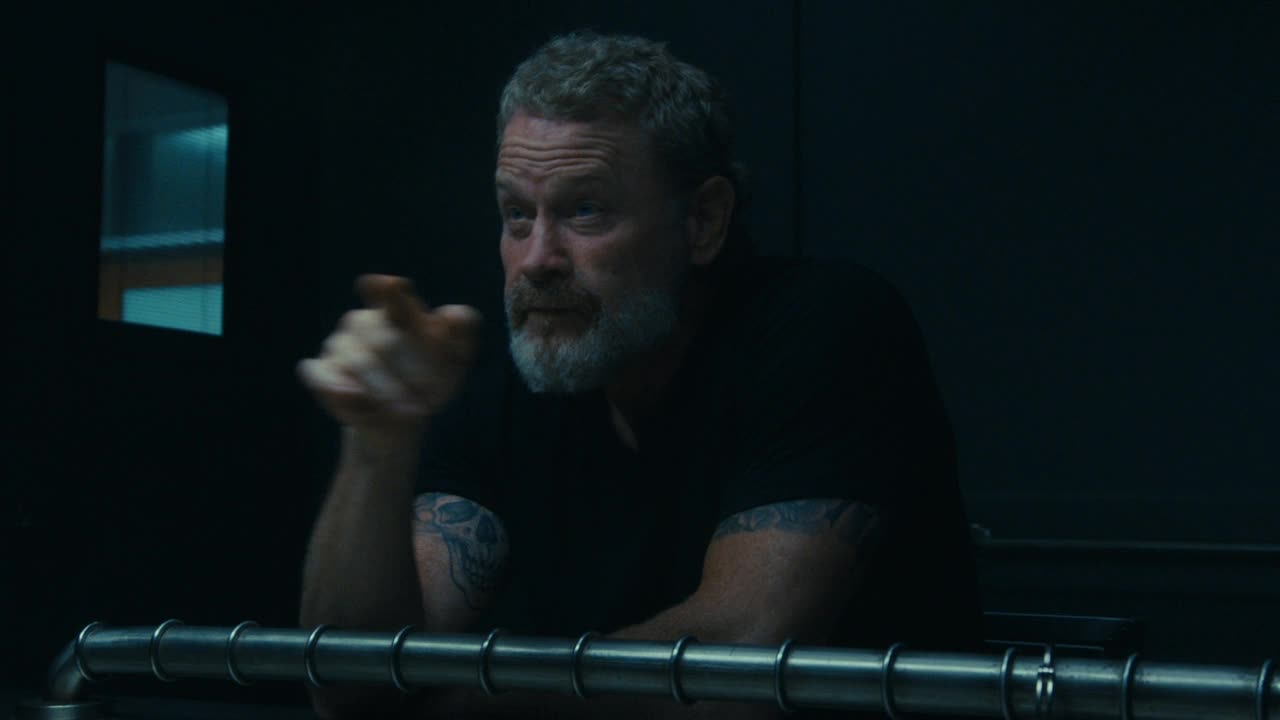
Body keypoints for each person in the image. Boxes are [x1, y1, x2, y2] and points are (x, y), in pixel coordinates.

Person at [298, 31, 982, 720]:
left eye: (585, 210)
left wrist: (453, 707)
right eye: (517, 214)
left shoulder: (824, 326)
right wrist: (377, 440)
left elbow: (739, 667)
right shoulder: (517, 376)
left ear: (703, 221)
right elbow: (352, 687)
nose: (537, 260)